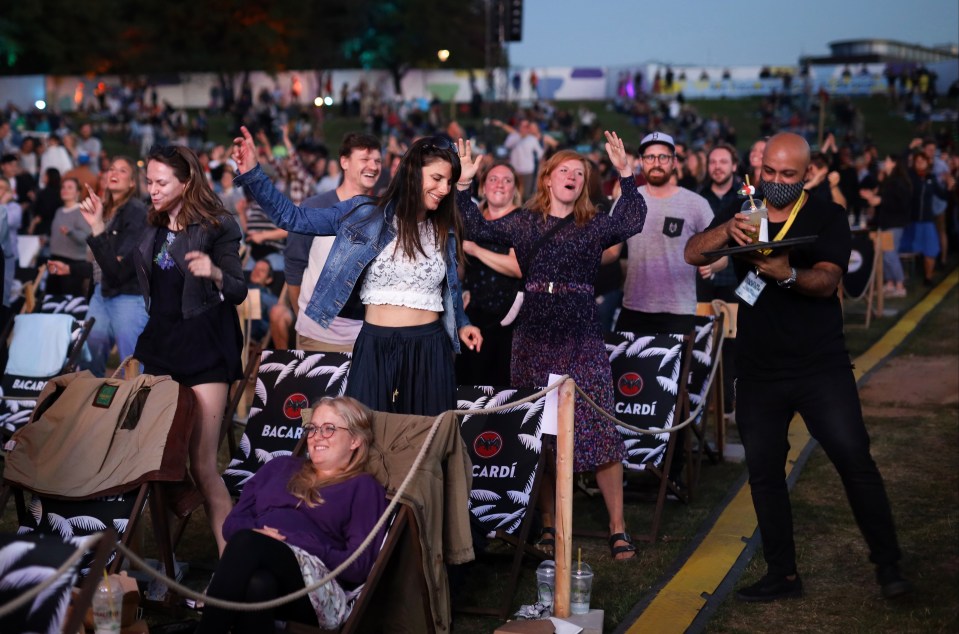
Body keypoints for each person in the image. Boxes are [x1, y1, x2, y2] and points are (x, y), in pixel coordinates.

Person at [684, 132, 912, 601]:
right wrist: (729, 230)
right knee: (765, 472)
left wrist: (786, 273)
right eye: (770, 172)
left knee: (854, 459)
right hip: (759, 369)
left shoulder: (828, 215)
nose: (778, 182)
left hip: (819, 366)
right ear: (760, 167)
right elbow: (692, 252)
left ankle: (889, 566)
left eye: (789, 175)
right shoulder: (747, 210)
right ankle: (782, 574)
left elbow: (829, 280)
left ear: (807, 174)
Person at [455, 131, 646, 560]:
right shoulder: (524, 221)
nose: (573, 177)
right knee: (537, 433)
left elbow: (632, 219)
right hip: (535, 332)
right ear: (547, 179)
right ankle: (547, 526)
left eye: (580, 173)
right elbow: (475, 225)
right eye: (565, 170)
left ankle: (618, 527)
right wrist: (465, 184)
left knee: (600, 429)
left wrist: (626, 173)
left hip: (580, 331)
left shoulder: (594, 221)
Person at [232, 128, 481, 416]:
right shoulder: (365, 214)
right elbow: (292, 217)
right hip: (375, 345)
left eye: (449, 182)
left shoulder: (443, 227)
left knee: (426, 436)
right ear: (412, 174)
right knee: (367, 435)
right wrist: (253, 173)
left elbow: (446, 284)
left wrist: (462, 323)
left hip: (430, 348)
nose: (444, 189)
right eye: (437, 179)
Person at [131, 143, 246, 553]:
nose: (153, 190)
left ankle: (230, 574)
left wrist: (214, 272)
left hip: (203, 345)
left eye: (162, 183)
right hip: (162, 344)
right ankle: (164, 568)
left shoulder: (218, 225)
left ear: (186, 181)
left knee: (202, 466)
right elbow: (119, 272)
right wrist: (95, 230)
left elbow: (237, 288)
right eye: (149, 182)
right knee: (153, 462)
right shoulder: (152, 224)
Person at [196, 396, 387, 633]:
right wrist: (259, 536)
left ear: (355, 440)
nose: (317, 436)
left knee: (246, 542)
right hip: (261, 565)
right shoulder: (279, 467)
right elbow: (233, 522)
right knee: (259, 584)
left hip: (315, 590)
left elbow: (359, 565)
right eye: (313, 428)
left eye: (329, 429)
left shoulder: (363, 487)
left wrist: (292, 540)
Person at [278, 132, 383, 353]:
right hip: (319, 337)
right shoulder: (316, 207)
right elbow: (295, 266)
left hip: (369, 336)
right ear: (344, 162)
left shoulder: (384, 213)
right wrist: (305, 317)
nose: (373, 166)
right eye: (364, 159)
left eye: (377, 161)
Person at [616, 132, 713, 336]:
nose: (656, 163)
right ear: (641, 162)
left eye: (663, 157)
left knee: (676, 369)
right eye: (650, 157)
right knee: (627, 368)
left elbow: (720, 252)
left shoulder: (696, 204)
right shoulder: (627, 200)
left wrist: (713, 263)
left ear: (674, 162)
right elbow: (609, 251)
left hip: (679, 311)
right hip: (633, 308)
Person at [71, 156, 149, 376]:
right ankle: (92, 406)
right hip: (101, 292)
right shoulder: (104, 211)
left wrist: (97, 229)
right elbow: (100, 262)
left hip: (128, 295)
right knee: (89, 357)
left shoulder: (136, 211)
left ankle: (134, 408)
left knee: (131, 363)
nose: (114, 173)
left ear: (133, 183)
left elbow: (121, 266)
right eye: (112, 169)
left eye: (123, 171)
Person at [455, 161, 524, 387]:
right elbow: (462, 266)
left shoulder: (523, 220)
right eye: (493, 179)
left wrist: (475, 249)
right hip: (473, 314)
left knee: (497, 387)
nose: (500, 185)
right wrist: (461, 289)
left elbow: (517, 267)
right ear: (483, 187)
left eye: (507, 180)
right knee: (467, 383)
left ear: (515, 189)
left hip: (506, 318)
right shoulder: (473, 218)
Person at [859, 154, 912, 297]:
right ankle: (890, 283)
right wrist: (871, 197)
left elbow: (901, 204)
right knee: (884, 254)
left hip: (894, 223)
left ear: (894, 163)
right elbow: (882, 199)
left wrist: (880, 200)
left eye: (887, 160)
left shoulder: (898, 182)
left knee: (890, 254)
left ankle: (900, 285)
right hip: (886, 222)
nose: (884, 163)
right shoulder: (888, 181)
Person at [45, 177, 92, 296]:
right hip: (54, 260)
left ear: (77, 193)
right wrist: (46, 240)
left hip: (73, 264)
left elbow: (86, 238)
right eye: (63, 187)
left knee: (69, 301)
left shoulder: (81, 211)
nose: (65, 190)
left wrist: (71, 232)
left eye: (70, 187)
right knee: (52, 299)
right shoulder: (59, 211)